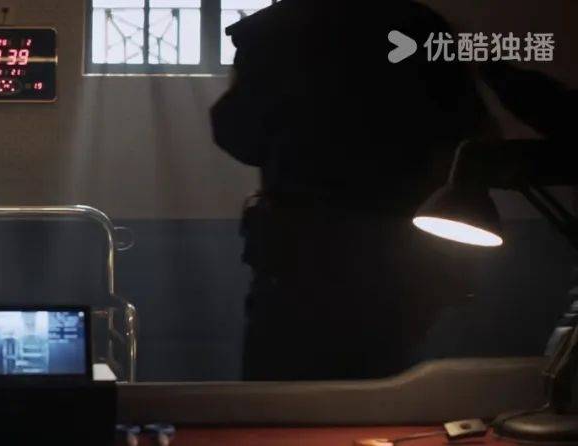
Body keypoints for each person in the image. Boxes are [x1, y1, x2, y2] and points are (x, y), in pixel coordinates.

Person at [211, 0, 495, 380]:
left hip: (299, 257)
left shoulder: (276, 30)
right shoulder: (417, 23)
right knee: (382, 392)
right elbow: (468, 133)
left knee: (280, 396)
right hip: (398, 257)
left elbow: (237, 134)